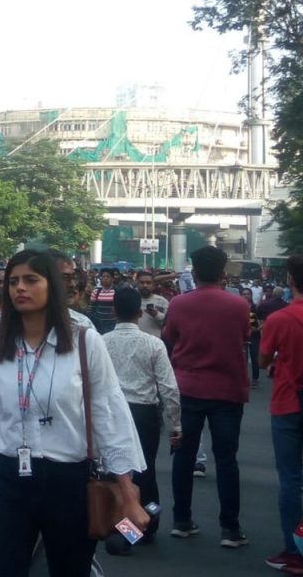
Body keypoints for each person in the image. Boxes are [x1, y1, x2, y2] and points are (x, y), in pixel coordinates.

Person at [0, 250, 147, 577]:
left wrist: (128, 494)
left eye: (31, 280)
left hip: (68, 481)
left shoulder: (85, 341)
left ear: (51, 285)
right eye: (13, 281)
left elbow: (109, 413)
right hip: (10, 481)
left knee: (70, 570)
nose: (20, 288)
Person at [163, 245, 250, 546]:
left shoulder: (178, 304)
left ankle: (182, 520)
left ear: (195, 272)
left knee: (183, 456)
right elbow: (244, 339)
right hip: (227, 390)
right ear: (223, 273)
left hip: (187, 388)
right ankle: (230, 529)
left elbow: (170, 338)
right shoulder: (239, 306)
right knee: (227, 459)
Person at [103, 286, 182, 541]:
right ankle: (147, 524)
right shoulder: (154, 344)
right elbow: (169, 388)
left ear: (113, 311)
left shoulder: (101, 343)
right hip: (144, 414)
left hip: (110, 413)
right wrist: (175, 426)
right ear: (139, 313)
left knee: (114, 472)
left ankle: (120, 528)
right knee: (145, 471)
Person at [259, 255, 303, 572]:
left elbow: (261, 362)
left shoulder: (280, 318)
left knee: (290, 480)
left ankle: (295, 551)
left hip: (289, 402)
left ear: (290, 280)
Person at [136, 270, 169, 338]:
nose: (145, 285)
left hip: (155, 343)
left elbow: (169, 323)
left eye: (148, 283)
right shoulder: (131, 300)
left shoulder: (162, 301)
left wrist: (157, 315)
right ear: (137, 284)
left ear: (153, 285)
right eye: (142, 283)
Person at [89, 268, 117, 334]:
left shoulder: (117, 292)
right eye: (103, 276)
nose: (105, 278)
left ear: (112, 279)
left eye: (108, 276)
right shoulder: (96, 292)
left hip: (113, 325)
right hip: (99, 325)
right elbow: (91, 309)